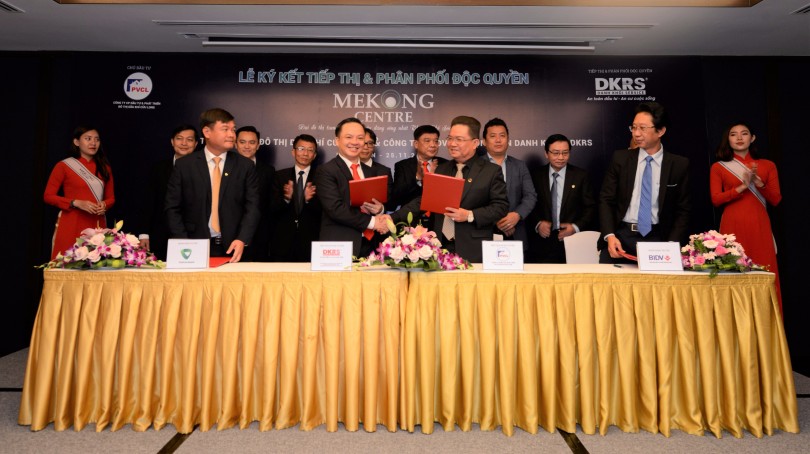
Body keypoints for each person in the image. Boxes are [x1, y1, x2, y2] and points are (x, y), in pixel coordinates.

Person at [389, 116, 509, 263]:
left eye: (459, 139)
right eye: (450, 138)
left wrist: (470, 215)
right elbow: (424, 201)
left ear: (475, 143)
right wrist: (391, 218)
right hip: (438, 248)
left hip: (473, 248)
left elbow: (501, 206)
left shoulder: (491, 171)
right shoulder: (441, 169)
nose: (452, 144)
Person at [599, 101, 691, 264]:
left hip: (659, 240)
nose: (636, 133)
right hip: (621, 238)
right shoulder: (620, 159)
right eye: (634, 127)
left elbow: (683, 209)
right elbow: (606, 199)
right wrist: (610, 235)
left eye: (642, 128)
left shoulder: (678, 164)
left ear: (660, 131)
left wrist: (671, 244)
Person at [165, 108, 260, 262]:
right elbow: (172, 207)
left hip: (234, 247)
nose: (232, 134)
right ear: (207, 132)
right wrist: (183, 242)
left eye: (233, 129)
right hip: (192, 246)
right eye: (225, 129)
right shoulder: (185, 166)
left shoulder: (245, 166)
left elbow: (253, 207)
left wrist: (242, 239)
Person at [710, 121, 782, 308]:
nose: (739, 138)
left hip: (759, 225)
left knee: (764, 271)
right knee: (733, 273)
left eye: (744, 133)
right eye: (733, 134)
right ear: (728, 139)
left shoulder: (767, 165)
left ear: (753, 138)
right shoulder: (719, 167)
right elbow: (716, 199)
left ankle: (769, 322)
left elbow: (776, 199)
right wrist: (742, 186)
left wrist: (758, 183)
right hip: (732, 226)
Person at [314, 117, 388, 257]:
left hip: (371, 244)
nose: (355, 142)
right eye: (349, 137)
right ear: (337, 141)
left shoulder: (371, 172)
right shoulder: (326, 171)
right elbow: (335, 209)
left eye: (360, 138)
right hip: (340, 245)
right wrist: (373, 222)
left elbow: (377, 203)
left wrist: (380, 209)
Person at [44, 126, 115, 260]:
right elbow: (48, 196)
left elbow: (111, 198)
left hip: (96, 223)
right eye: (88, 139)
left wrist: (105, 205)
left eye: (97, 139)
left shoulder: (105, 168)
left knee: (96, 264)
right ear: (76, 142)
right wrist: (75, 202)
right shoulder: (64, 166)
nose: (93, 143)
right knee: (66, 262)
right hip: (71, 222)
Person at [527, 133, 596, 263]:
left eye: (565, 153)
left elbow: (590, 208)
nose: (561, 157)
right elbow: (528, 203)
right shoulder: (535, 175)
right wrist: (538, 223)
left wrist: (575, 227)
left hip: (572, 240)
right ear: (546, 153)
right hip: (541, 242)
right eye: (556, 153)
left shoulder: (580, 176)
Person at [139, 124, 198, 261]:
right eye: (179, 138)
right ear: (172, 141)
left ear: (196, 144)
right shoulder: (158, 168)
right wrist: (144, 234)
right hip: (161, 235)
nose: (184, 143)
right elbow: (149, 202)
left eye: (189, 140)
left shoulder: (205, 169)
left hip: (195, 237)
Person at [482, 118, 537, 251]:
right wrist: (499, 221)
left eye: (502, 135)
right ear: (484, 141)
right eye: (493, 136)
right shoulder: (477, 166)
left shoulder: (519, 166)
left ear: (508, 139)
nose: (498, 140)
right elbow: (473, 201)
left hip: (516, 232)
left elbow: (530, 196)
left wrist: (516, 215)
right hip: (485, 233)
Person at [269, 134, 321, 262]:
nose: (305, 153)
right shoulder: (279, 176)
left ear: (314, 155)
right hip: (282, 242)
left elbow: (327, 211)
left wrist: (309, 200)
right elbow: (271, 208)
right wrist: (286, 199)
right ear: (293, 152)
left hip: (311, 241)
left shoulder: (322, 177)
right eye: (301, 149)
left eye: (310, 150)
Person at [235, 125, 276, 262]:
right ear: (235, 144)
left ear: (258, 145)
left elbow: (270, 204)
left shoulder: (268, 171)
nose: (247, 146)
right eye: (242, 142)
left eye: (252, 142)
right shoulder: (224, 167)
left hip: (259, 235)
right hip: (231, 233)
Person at [391, 125, 447, 214]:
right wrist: (418, 178)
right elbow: (396, 199)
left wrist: (433, 181)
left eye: (436, 141)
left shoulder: (445, 165)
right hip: (411, 218)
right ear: (416, 144)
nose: (433, 145)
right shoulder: (402, 166)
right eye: (427, 141)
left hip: (438, 218)